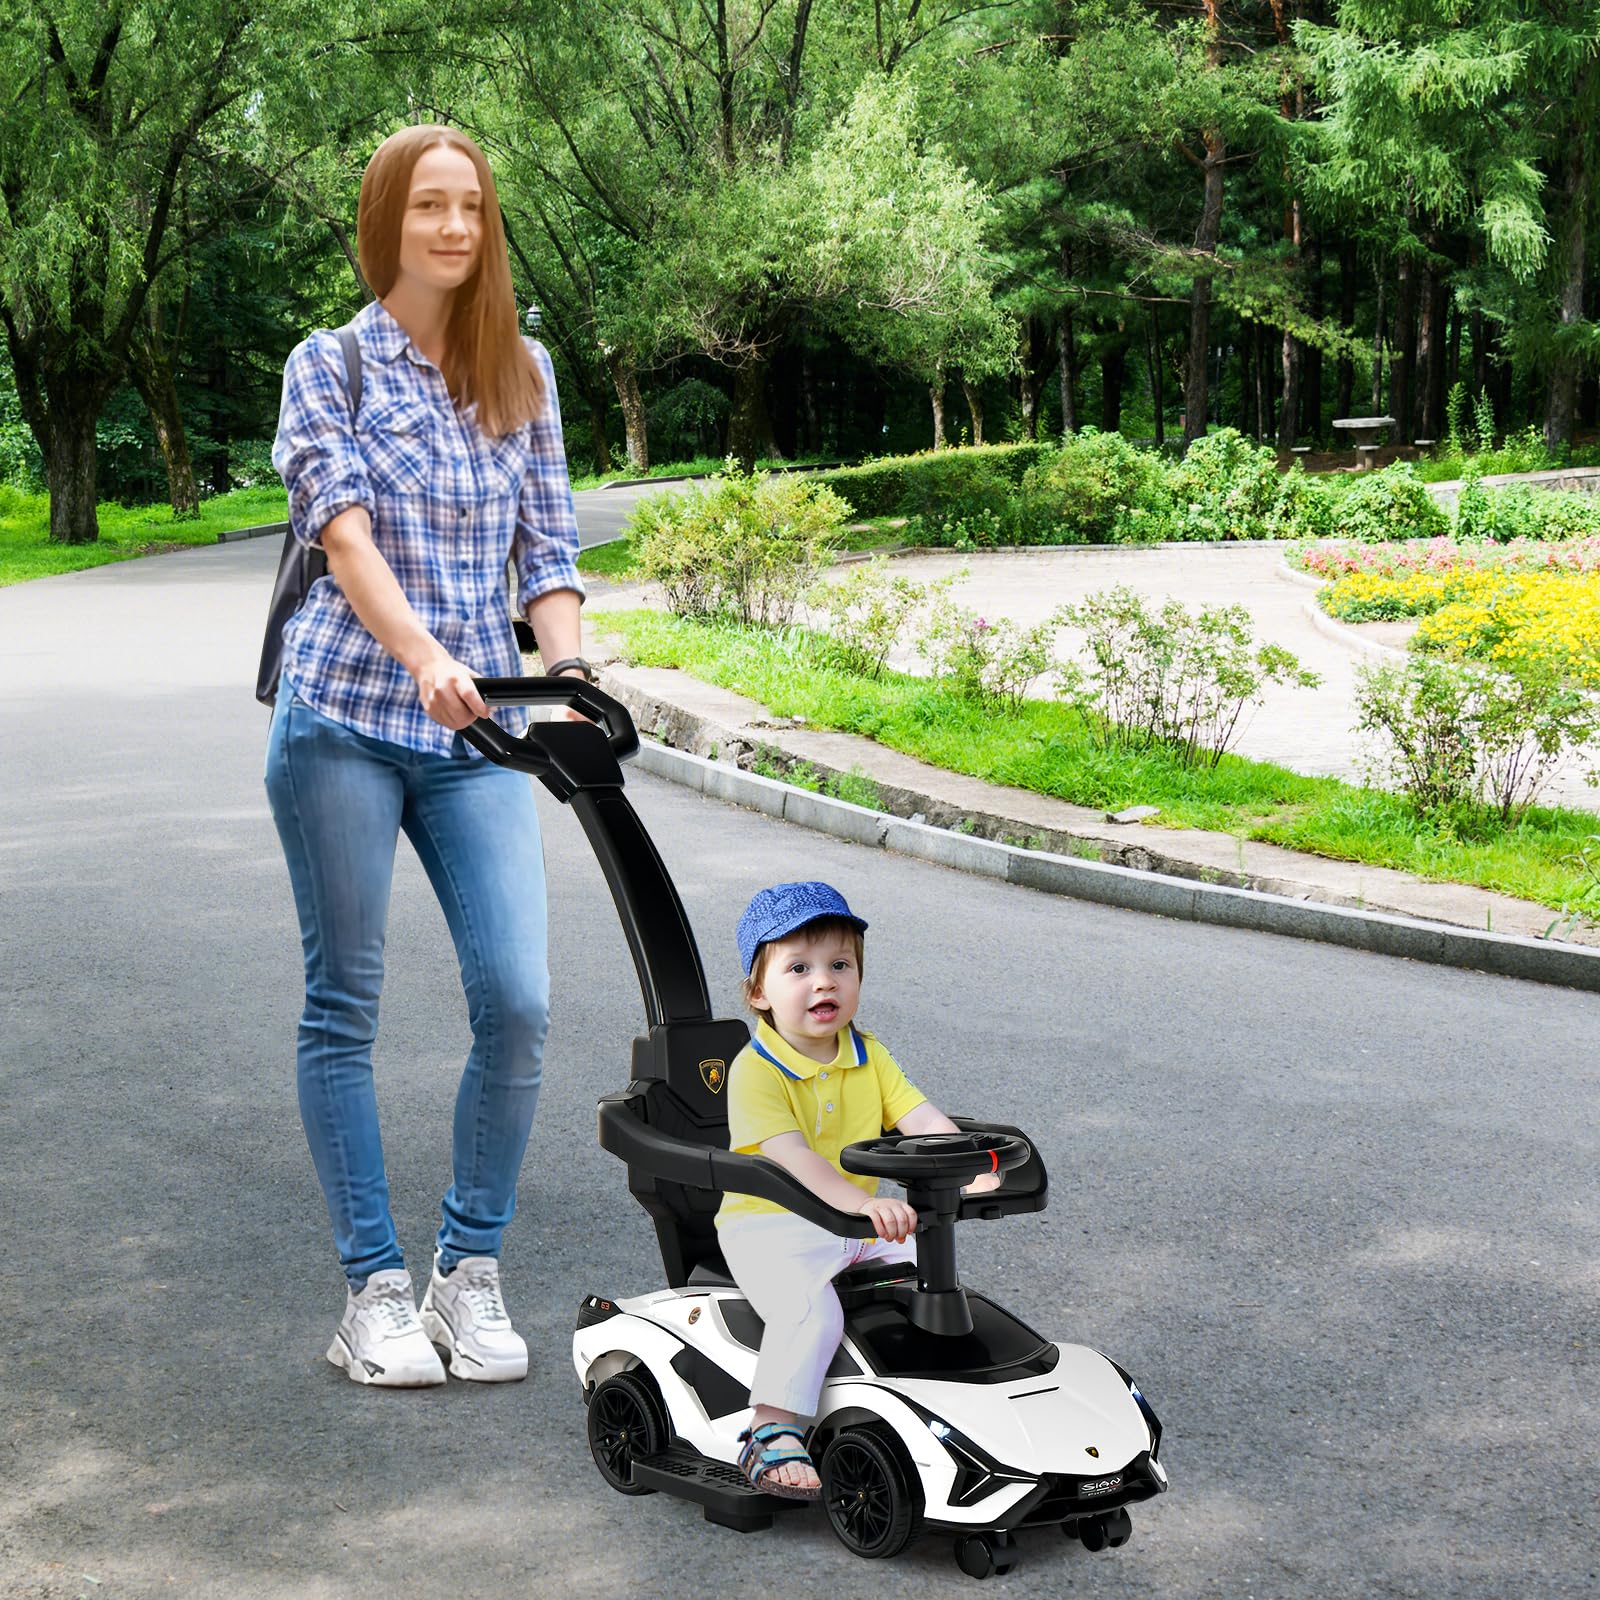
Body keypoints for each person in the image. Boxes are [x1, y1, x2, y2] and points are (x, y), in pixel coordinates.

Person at [265, 125, 592, 1387]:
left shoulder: (524, 371)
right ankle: (373, 1290)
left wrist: (563, 673)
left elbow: (548, 553)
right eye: (429, 207)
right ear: (388, 221)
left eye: (472, 208)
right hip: (347, 712)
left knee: (518, 998)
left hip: (475, 737)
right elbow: (341, 536)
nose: (454, 228)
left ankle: (469, 1272)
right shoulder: (330, 366)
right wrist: (419, 653)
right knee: (344, 1003)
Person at [716, 881, 1001, 1498]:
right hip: (771, 1227)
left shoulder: (869, 1054)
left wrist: (969, 1165)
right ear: (759, 992)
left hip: (859, 1226)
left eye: (840, 965)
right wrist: (863, 1201)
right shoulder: (755, 1070)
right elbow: (791, 1157)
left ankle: (938, 1410)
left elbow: (919, 1117)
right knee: (810, 1312)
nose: (825, 983)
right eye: (800, 968)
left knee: (928, 1287)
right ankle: (771, 1431)